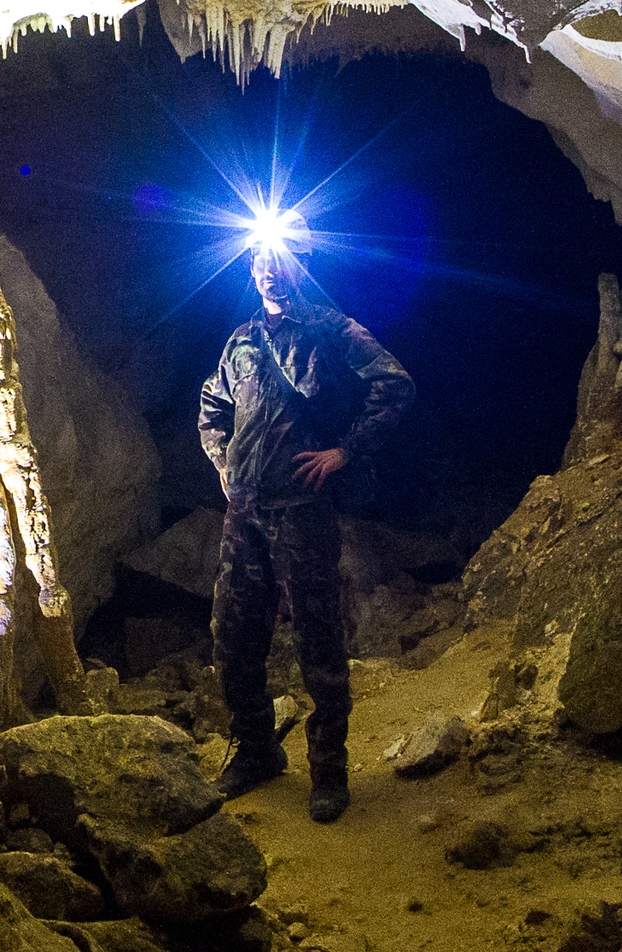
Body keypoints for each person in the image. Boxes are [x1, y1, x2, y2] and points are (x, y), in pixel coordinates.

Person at [198, 246, 413, 823]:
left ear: (300, 266)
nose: (272, 271)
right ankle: (256, 751)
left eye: (283, 260)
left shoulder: (331, 328)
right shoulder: (241, 340)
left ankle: (329, 770)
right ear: (251, 273)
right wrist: (225, 466)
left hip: (303, 512)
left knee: (318, 639)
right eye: (261, 262)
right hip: (245, 516)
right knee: (234, 636)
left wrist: (346, 450)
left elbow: (393, 383)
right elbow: (211, 405)